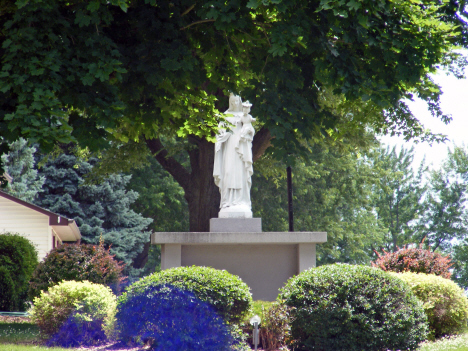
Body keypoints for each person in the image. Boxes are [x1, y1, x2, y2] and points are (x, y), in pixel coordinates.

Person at [213, 94, 255, 217]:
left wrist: (246, 131)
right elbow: (219, 132)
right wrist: (222, 133)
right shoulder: (225, 116)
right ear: (230, 102)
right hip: (229, 148)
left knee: (241, 174)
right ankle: (228, 201)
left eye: (237, 101)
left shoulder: (245, 116)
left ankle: (241, 201)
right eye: (233, 101)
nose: (235, 104)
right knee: (228, 173)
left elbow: (251, 130)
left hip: (241, 148)